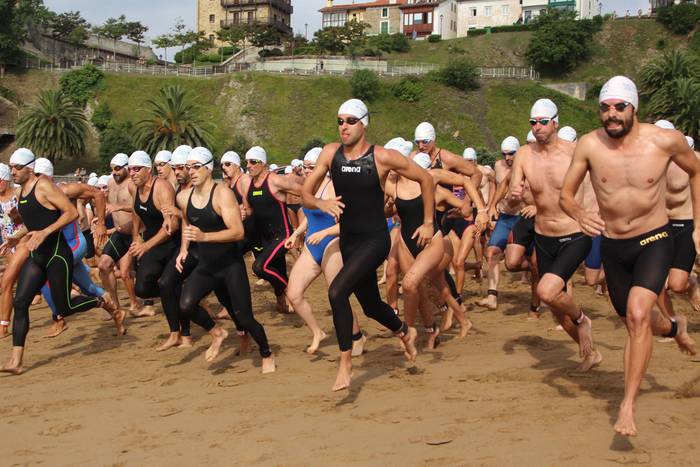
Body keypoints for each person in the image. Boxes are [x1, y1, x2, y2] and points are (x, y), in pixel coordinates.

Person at [559, 76, 698, 436]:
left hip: (655, 239)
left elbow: (697, 171)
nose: (612, 114)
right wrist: (577, 212)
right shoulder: (589, 145)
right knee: (636, 319)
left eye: (620, 107)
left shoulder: (665, 141)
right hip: (613, 245)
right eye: (605, 108)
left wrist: (698, 226)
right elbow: (567, 195)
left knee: (637, 316)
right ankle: (673, 327)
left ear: (634, 107)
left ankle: (627, 405)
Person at [302, 99, 433, 391]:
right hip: (349, 239)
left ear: (364, 123)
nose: (344, 126)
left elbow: (426, 179)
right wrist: (322, 202)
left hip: (375, 239)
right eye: (340, 121)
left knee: (337, 291)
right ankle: (404, 331)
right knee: (372, 306)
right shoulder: (330, 153)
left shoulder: (383, 157)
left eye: (350, 121)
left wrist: (428, 222)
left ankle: (346, 363)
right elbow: (305, 194)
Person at [2, 149, 112, 375]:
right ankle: (16, 360)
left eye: (17, 167)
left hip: (56, 253)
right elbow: (34, 222)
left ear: (29, 168)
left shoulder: (44, 186)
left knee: (65, 307)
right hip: (37, 255)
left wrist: (45, 233)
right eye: (11, 167)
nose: (13, 171)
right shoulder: (23, 191)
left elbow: (71, 213)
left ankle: (100, 301)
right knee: (20, 302)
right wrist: (17, 236)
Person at [510, 99, 601, 371]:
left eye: (542, 122)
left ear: (555, 123)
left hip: (574, 232)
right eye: (533, 122)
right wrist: (515, 195)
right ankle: (590, 353)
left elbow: (600, 184)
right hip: (544, 235)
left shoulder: (575, 153)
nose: (537, 127)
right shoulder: (524, 155)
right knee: (557, 310)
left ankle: (583, 319)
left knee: (546, 291)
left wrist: (598, 215)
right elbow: (514, 192)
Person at [177, 147, 274, 371]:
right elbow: (186, 222)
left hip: (230, 267)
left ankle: (266, 353)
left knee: (244, 317)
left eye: (196, 167)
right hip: (207, 267)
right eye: (188, 167)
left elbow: (238, 232)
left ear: (209, 168)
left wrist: (205, 236)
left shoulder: (222, 194)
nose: (191, 171)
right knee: (185, 306)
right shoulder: (184, 197)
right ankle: (217, 332)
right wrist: (184, 249)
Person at [285, 147, 367, 355]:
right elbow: (311, 218)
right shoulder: (308, 190)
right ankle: (317, 332)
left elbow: (348, 224)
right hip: (312, 247)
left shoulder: (334, 190)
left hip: (333, 245)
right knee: (293, 294)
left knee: (337, 295)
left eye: (311, 167)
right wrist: (296, 233)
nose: (305, 172)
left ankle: (356, 336)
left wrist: (324, 234)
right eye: (304, 167)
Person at [31, 158, 118, 338]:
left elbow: (98, 194)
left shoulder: (64, 190)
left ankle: (59, 318)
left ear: (49, 176)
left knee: (46, 273)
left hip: (75, 243)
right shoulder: (35, 196)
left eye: (39, 175)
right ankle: (115, 311)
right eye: (34, 175)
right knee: (89, 289)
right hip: (60, 248)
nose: (36, 179)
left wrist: (101, 223)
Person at [242, 146, 304, 313]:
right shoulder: (248, 184)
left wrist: (320, 206)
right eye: (246, 162)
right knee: (277, 269)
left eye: (253, 161)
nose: (248, 165)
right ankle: (281, 302)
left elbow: (303, 192)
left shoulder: (275, 180)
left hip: (282, 234)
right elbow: (250, 211)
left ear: (263, 163)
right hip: (265, 236)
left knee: (259, 267)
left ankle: (291, 292)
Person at [127, 151, 180, 331]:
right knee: (141, 289)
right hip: (151, 242)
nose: (132, 173)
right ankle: (174, 293)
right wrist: (135, 235)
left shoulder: (162, 188)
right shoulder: (134, 187)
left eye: (136, 169)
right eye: (130, 169)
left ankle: (178, 322)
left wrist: (145, 246)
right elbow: (136, 211)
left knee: (166, 284)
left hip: (170, 243)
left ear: (148, 170)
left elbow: (172, 226)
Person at [479, 136, 524, 310]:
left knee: (522, 261)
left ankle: (539, 290)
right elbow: (498, 186)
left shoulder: (526, 165)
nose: (507, 158)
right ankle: (492, 296)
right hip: (505, 217)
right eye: (504, 154)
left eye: (511, 154)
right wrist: (491, 207)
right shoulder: (498, 166)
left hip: (522, 216)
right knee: (491, 252)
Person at [98, 153, 140, 316]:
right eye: (112, 169)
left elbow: (139, 205)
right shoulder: (110, 183)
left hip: (135, 233)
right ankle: (116, 307)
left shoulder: (132, 184)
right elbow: (104, 201)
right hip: (119, 233)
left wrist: (119, 207)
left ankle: (135, 303)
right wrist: (100, 219)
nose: (114, 172)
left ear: (126, 168)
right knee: (103, 265)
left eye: (117, 169)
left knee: (124, 273)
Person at [0, 163, 24, 339]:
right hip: (8, 245)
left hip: (25, 241)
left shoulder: (18, 194)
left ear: (5, 180)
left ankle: (3, 327)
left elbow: (30, 219)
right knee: (11, 283)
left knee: (7, 282)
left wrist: (16, 216)